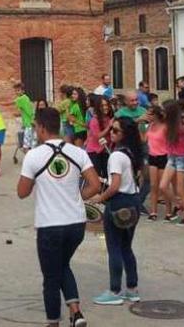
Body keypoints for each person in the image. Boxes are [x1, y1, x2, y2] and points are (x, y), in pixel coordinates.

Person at [18, 108, 99, 326]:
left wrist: (38, 178)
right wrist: (75, 197)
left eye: (36, 127)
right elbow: (95, 185)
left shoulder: (33, 156)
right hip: (76, 223)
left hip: (50, 224)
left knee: (51, 277)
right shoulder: (78, 152)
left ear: (42, 128)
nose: (35, 131)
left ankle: (53, 321)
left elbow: (22, 192)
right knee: (62, 265)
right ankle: (76, 312)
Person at [91, 116, 144, 307]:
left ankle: (114, 290)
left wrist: (100, 197)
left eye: (115, 130)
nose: (111, 133)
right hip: (133, 201)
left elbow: (114, 186)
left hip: (119, 201)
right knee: (126, 247)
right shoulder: (131, 153)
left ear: (124, 134)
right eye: (111, 129)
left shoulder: (116, 156)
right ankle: (132, 288)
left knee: (114, 247)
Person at [160, 101, 184, 226]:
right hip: (172, 156)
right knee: (163, 186)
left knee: (180, 189)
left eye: (164, 111)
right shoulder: (168, 124)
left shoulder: (181, 123)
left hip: (182, 157)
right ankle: (179, 205)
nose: (162, 113)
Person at [13, 82, 36, 151]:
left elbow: (8, 103)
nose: (17, 92)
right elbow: (26, 110)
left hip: (29, 123)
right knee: (32, 144)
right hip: (29, 123)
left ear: (23, 91)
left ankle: (29, 160)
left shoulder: (21, 99)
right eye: (16, 90)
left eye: (18, 90)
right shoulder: (25, 98)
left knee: (26, 146)